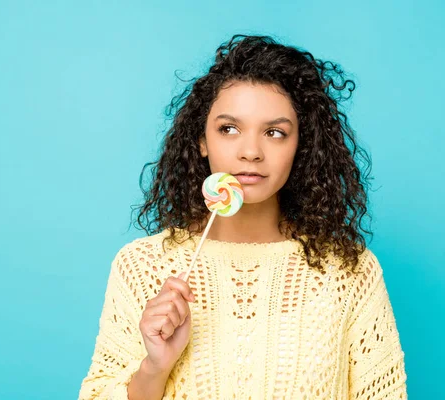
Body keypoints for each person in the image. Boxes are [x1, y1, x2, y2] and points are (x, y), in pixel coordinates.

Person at [78, 34, 407, 399]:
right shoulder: (141, 266)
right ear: (201, 140)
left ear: (301, 146)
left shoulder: (350, 272)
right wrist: (155, 367)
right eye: (229, 129)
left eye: (275, 132)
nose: (251, 151)